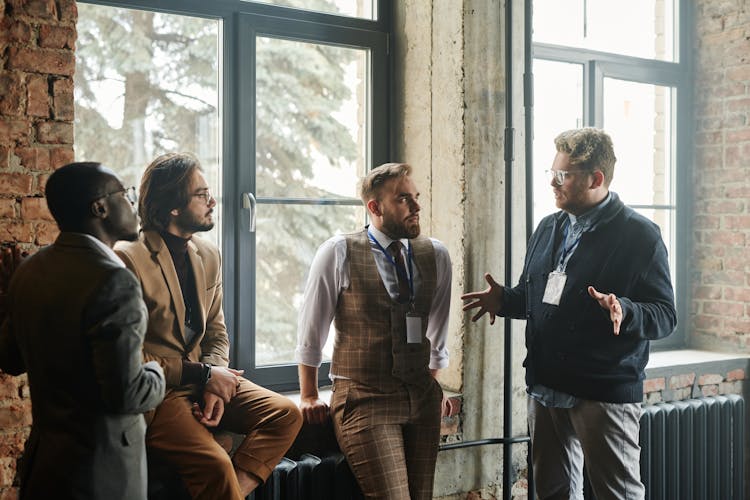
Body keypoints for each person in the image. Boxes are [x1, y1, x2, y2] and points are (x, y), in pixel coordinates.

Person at [462, 128, 677, 500]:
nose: (552, 182)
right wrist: (507, 301)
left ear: (596, 179)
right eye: (552, 171)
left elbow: (664, 315)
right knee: (553, 493)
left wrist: (624, 310)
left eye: (563, 175)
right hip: (546, 385)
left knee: (618, 495)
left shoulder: (641, 236)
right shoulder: (549, 226)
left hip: (602, 390)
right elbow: (540, 298)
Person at [115, 152, 302, 500]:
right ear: (172, 206)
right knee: (215, 465)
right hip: (161, 392)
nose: (213, 201)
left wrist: (215, 381)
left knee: (286, 415)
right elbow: (131, 358)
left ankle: (233, 492)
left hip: (205, 378)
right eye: (201, 195)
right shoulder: (129, 257)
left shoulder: (208, 254)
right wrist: (202, 375)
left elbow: (216, 329)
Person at [0, 162, 166, 499]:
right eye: (126, 194)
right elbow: (127, 394)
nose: (133, 203)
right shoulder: (114, 280)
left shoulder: (31, 269)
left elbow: (10, 359)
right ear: (100, 207)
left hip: (45, 465)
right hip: (102, 474)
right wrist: (157, 372)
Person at [296, 162, 453, 499]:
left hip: (421, 399)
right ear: (375, 207)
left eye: (416, 197)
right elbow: (312, 331)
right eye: (403, 199)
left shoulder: (436, 255)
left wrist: (433, 388)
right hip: (364, 397)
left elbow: (437, 333)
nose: (416, 206)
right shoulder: (338, 252)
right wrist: (308, 394)